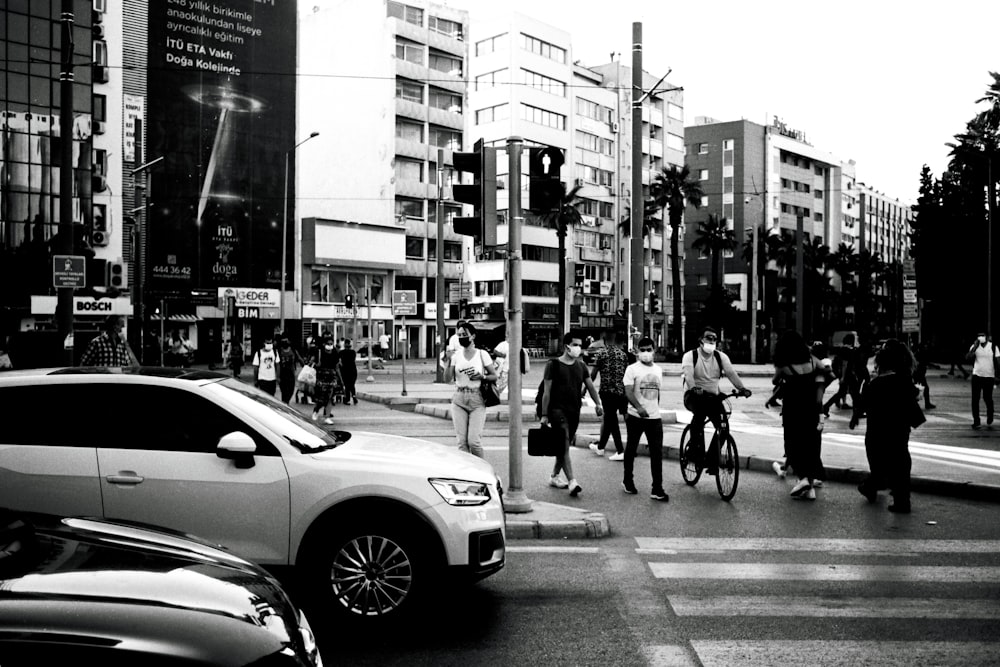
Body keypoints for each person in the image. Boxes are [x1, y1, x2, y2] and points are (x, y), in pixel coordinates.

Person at [850, 339, 923, 513]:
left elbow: (863, 403)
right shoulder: (905, 381)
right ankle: (902, 500)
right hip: (900, 429)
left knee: (878, 461)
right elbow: (914, 402)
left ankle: (872, 485)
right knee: (901, 462)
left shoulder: (876, 383)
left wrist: (855, 416)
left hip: (878, 430)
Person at [771, 331, 835, 500]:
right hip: (811, 408)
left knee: (793, 443)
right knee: (811, 445)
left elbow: (775, 380)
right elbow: (828, 372)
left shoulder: (784, 364)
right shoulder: (813, 361)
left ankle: (803, 479)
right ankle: (810, 487)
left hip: (793, 408)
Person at [539, 332, 603, 497]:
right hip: (556, 411)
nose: (578, 348)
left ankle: (554, 476)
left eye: (580, 345)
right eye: (575, 345)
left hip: (574, 411)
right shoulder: (552, 365)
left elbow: (590, 386)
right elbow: (546, 392)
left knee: (564, 446)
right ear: (567, 346)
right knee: (564, 442)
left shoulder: (581, 366)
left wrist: (598, 403)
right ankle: (572, 482)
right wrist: (544, 415)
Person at [681, 327, 751, 475]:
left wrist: (742, 388)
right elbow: (688, 375)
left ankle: (711, 460)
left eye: (714, 338)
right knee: (699, 416)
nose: (712, 341)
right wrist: (693, 388)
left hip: (712, 397)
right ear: (701, 340)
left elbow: (731, 373)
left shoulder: (720, 357)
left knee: (723, 427)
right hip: (693, 395)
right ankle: (694, 449)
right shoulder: (690, 356)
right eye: (708, 338)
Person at [621, 337, 669, 501]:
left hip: (654, 418)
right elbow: (627, 391)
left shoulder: (658, 370)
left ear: (654, 350)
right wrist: (638, 408)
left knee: (657, 453)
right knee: (631, 449)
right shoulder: (632, 369)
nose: (646, 353)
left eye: (649, 349)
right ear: (637, 351)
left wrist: (655, 409)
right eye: (643, 350)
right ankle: (628, 480)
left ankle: (657, 488)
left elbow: (657, 392)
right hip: (635, 417)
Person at [442, 322, 497, 458]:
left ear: (472, 336)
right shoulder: (456, 356)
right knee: (462, 443)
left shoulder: (482, 354)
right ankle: (466, 474)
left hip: (476, 398)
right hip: (459, 398)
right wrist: (448, 362)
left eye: (464, 335)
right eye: (459, 335)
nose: (461, 338)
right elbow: (447, 379)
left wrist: (482, 376)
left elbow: (494, 376)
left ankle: (482, 471)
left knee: (474, 442)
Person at [588, 330, 629, 461]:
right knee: (610, 419)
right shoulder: (623, 355)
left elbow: (593, 374)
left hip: (607, 392)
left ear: (605, 340)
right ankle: (600, 447)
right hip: (621, 392)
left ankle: (620, 450)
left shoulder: (602, 353)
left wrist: (585, 389)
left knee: (612, 421)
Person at [823, 333, 869, 417]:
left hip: (846, 374)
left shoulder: (842, 349)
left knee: (842, 393)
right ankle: (858, 412)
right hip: (848, 375)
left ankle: (826, 407)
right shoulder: (848, 351)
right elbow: (845, 364)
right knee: (855, 394)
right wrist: (843, 376)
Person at [966, 331, 998, 429]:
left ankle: (990, 413)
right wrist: (975, 347)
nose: (981, 337)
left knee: (987, 398)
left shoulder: (993, 347)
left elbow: (998, 361)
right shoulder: (974, 346)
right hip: (977, 375)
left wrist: (997, 376)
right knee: (975, 399)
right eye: (979, 336)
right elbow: (968, 357)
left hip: (989, 376)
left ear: (987, 337)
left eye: (983, 335)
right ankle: (976, 421)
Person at [312, 337, 343, 424]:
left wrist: (340, 380)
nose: (330, 346)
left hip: (332, 377)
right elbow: (312, 363)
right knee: (321, 398)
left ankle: (327, 416)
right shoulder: (319, 352)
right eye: (328, 344)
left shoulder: (335, 353)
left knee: (330, 398)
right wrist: (317, 364)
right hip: (321, 377)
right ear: (324, 344)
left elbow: (337, 367)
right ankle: (316, 410)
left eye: (331, 344)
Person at [277, 335, 304, 404]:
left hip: (291, 375)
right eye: (283, 341)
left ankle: (286, 403)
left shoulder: (293, 350)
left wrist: (305, 367)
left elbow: (299, 359)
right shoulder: (279, 351)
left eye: (286, 341)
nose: (285, 343)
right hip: (282, 375)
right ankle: (285, 404)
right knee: (284, 393)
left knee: (291, 391)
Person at [911, 341, 937, 410]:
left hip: (919, 374)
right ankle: (926, 404)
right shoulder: (920, 354)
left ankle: (925, 403)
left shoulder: (919, 353)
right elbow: (924, 363)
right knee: (924, 388)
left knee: (918, 388)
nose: (926, 348)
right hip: (918, 374)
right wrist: (934, 366)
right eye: (925, 346)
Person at [340, 338, 359, 405]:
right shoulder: (353, 352)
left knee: (347, 385)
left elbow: (339, 361)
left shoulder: (341, 352)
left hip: (345, 370)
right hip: (353, 369)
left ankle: (347, 398)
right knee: (352, 384)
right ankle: (353, 396)